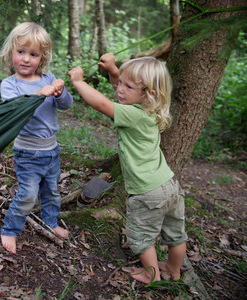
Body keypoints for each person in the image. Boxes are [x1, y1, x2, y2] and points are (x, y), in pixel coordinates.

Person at [68, 53, 187, 284]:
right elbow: (124, 94)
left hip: (147, 192)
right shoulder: (150, 110)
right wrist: (114, 70)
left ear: (148, 94)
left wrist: (79, 82)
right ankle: (174, 270)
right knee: (176, 235)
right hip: (170, 186)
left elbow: (103, 104)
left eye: (127, 85)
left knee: (140, 236)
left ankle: (151, 274)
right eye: (120, 82)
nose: (120, 89)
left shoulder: (132, 114)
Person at [0, 22, 73, 254]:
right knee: (28, 194)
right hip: (27, 152)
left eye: (33, 54)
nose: (26, 59)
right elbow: (15, 110)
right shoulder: (9, 85)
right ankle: (10, 229)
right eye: (21, 52)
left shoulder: (48, 77)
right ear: (11, 52)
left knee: (51, 191)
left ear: (42, 58)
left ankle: (50, 223)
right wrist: (40, 92)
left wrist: (60, 92)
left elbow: (66, 105)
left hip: (51, 151)